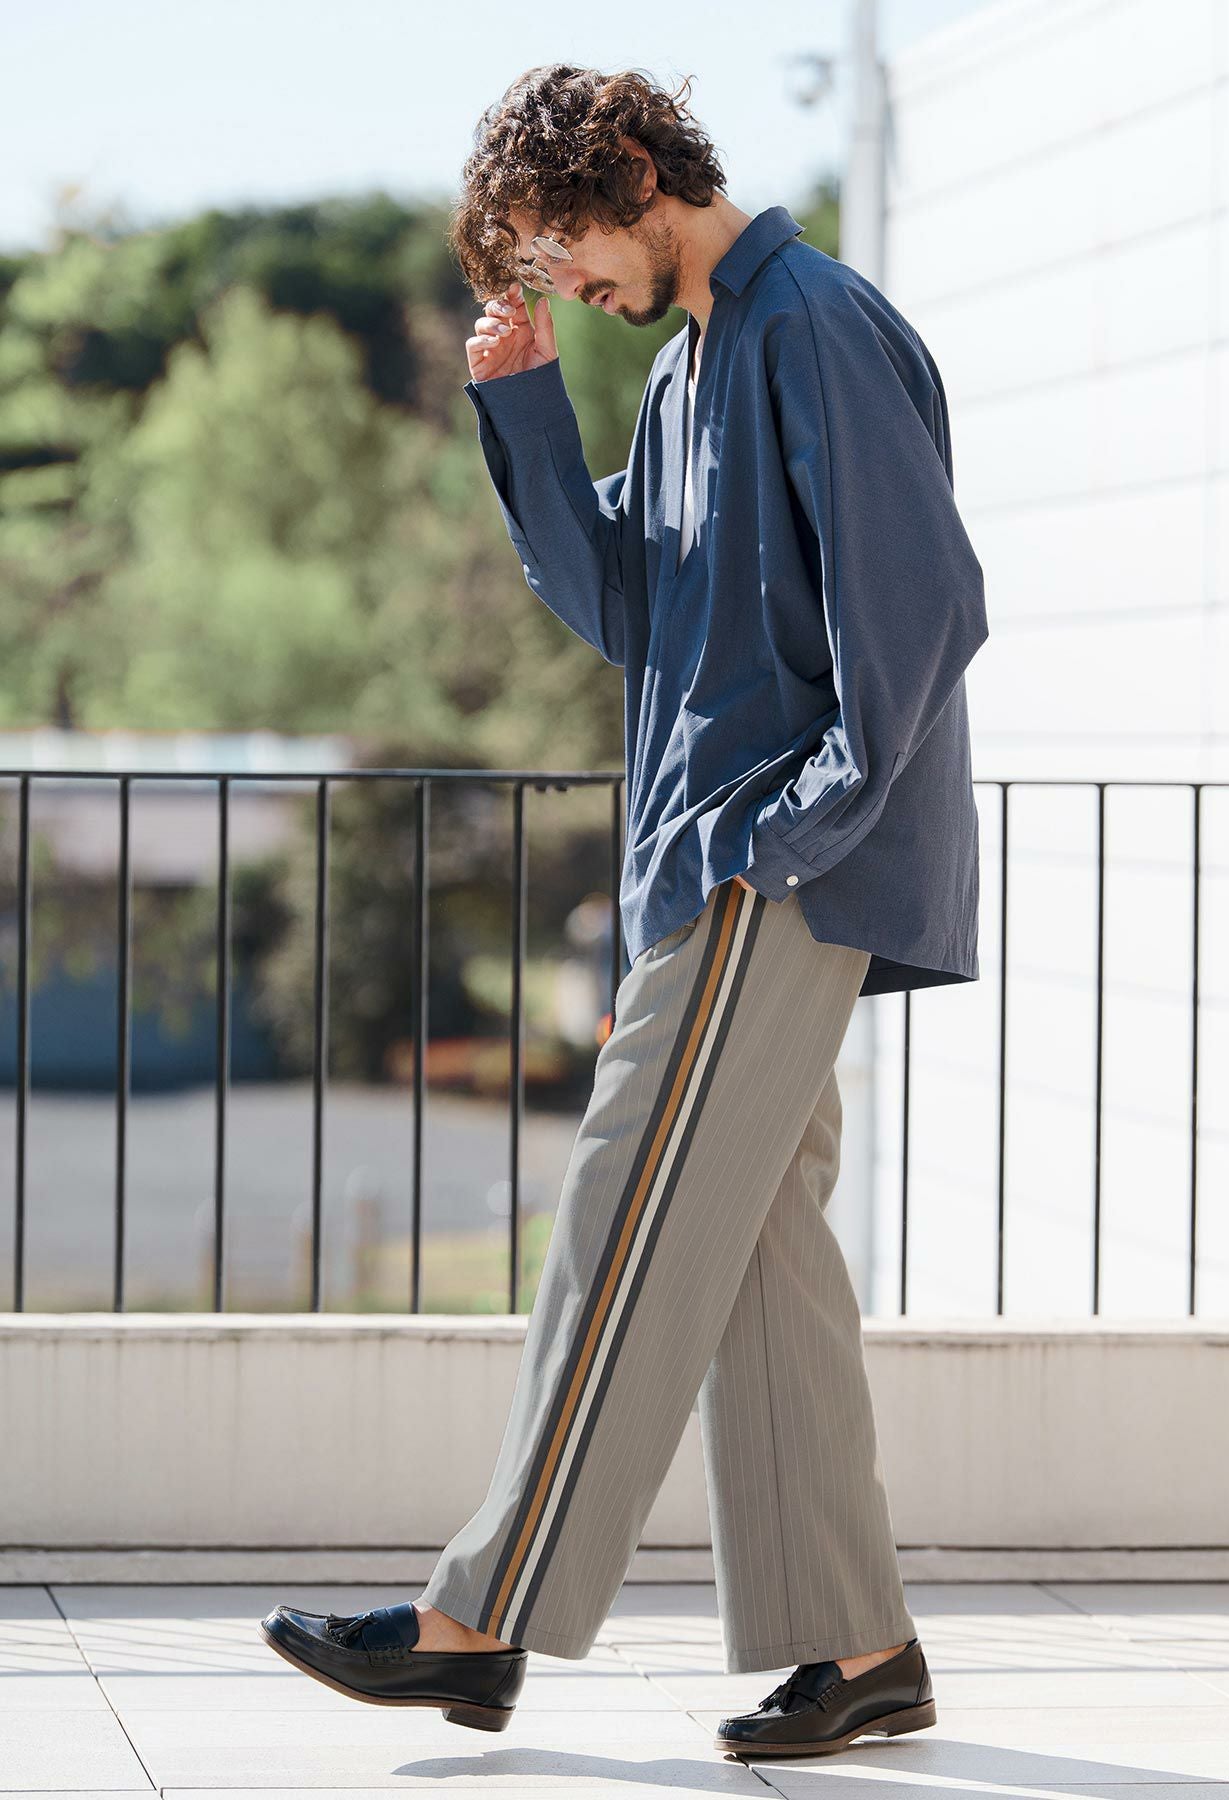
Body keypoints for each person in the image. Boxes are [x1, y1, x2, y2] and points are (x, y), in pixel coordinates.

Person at [260, 62, 986, 1759]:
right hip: (715, 856)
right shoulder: (683, 371)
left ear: (642, 173)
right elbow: (628, 616)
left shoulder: (813, 325)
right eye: (538, 267)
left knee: (623, 1210)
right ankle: (861, 1646)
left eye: (566, 247)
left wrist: (792, 830)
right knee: (753, 1251)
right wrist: (526, 407)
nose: (567, 282)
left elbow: (928, 603)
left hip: (768, 864)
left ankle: (479, 1618)